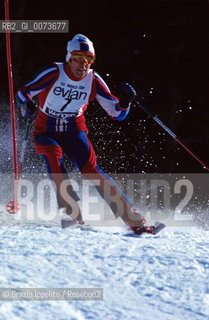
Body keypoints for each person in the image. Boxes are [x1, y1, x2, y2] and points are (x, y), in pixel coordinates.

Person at [16, 34, 153, 234]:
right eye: (79, 57)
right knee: (53, 155)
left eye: (89, 58)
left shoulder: (93, 80)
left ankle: (134, 219)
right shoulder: (54, 72)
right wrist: (26, 105)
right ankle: (72, 213)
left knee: (91, 170)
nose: (84, 63)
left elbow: (117, 114)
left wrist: (125, 102)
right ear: (69, 57)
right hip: (46, 130)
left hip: (74, 131)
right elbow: (23, 93)